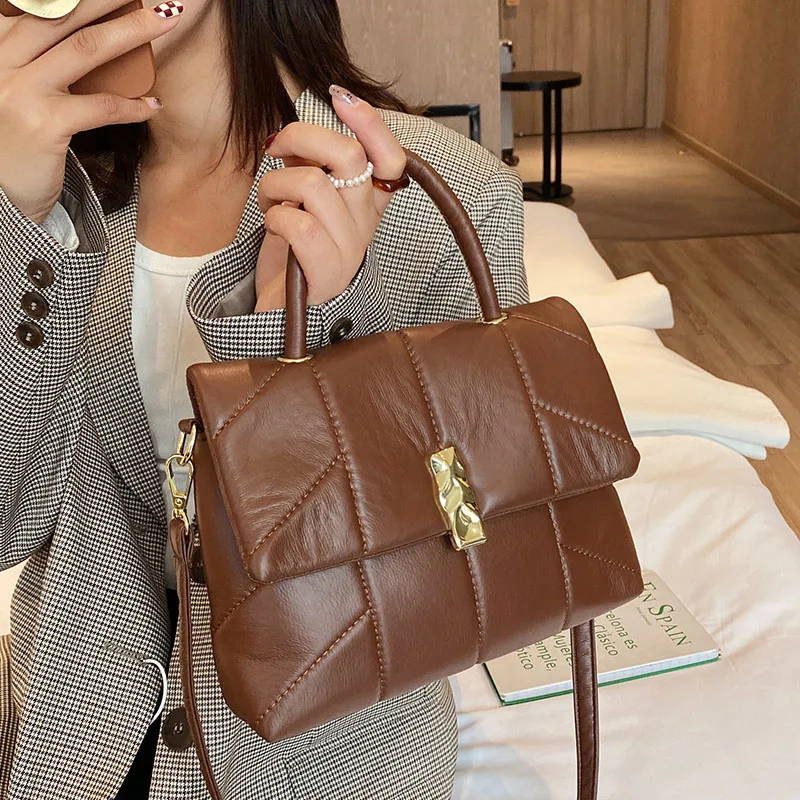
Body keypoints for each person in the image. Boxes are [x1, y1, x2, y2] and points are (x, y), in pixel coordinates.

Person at [0, 0, 527, 796]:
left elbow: (473, 553)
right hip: (78, 733)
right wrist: (15, 228)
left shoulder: (439, 192)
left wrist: (316, 338)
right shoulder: (39, 183)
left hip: (324, 753)